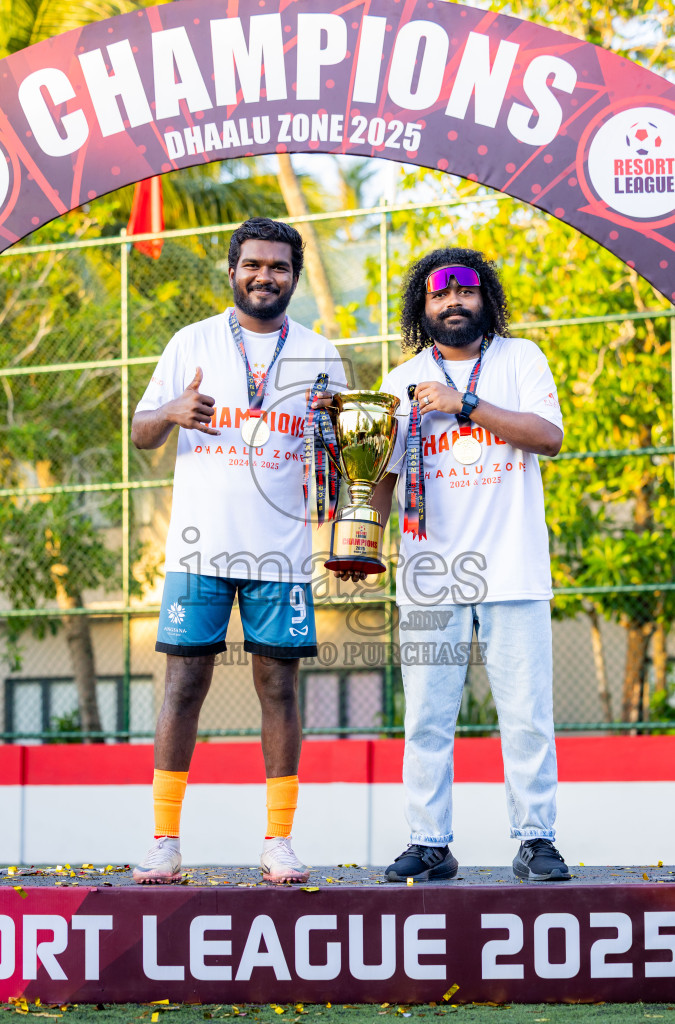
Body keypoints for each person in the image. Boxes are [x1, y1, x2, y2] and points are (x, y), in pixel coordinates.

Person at [131, 217, 347, 884]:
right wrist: (169, 410)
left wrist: (330, 444)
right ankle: (164, 840)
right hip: (197, 552)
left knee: (278, 688)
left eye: (278, 267)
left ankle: (277, 842)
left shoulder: (320, 354)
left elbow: (340, 455)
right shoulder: (190, 342)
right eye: (253, 264)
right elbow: (141, 434)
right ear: (232, 271)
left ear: (294, 276)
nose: (264, 276)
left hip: (279, 556)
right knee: (184, 686)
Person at [368, 247, 569, 882]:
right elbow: (378, 472)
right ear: (421, 307)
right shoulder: (400, 381)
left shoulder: (521, 359)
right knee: (426, 715)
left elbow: (549, 437)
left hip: (513, 567)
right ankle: (430, 843)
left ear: (486, 299)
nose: (453, 302)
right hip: (430, 575)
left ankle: (536, 839)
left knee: (527, 714)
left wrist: (464, 404)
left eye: (465, 292)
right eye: (438, 295)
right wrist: (361, 544)